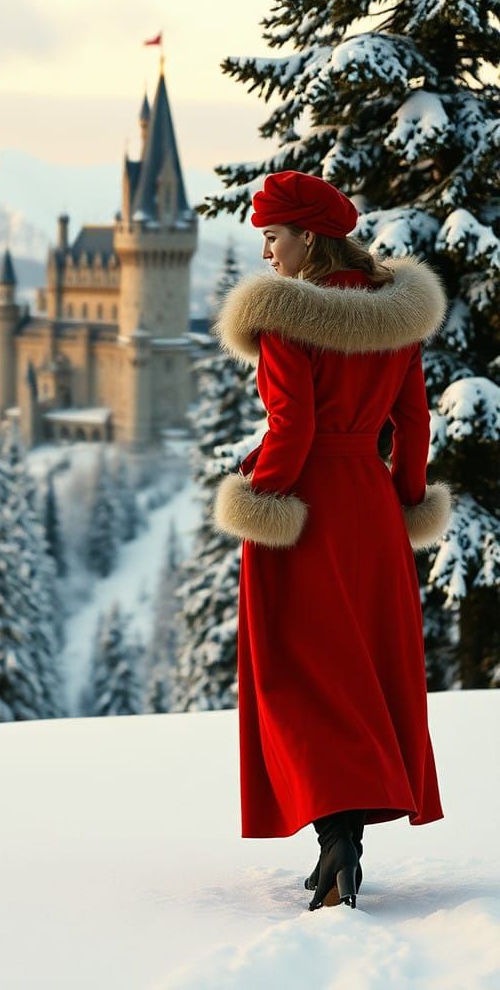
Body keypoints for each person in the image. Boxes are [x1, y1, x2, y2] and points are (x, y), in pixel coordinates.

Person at [211, 170, 452, 911]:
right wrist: (405, 501)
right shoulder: (393, 316)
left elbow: (294, 429)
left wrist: (261, 495)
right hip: (371, 510)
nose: (266, 255)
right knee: (362, 671)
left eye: (273, 237)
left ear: (308, 236)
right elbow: (413, 424)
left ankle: (335, 833)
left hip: (305, 509)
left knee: (298, 674)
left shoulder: (288, 318)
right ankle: (345, 837)